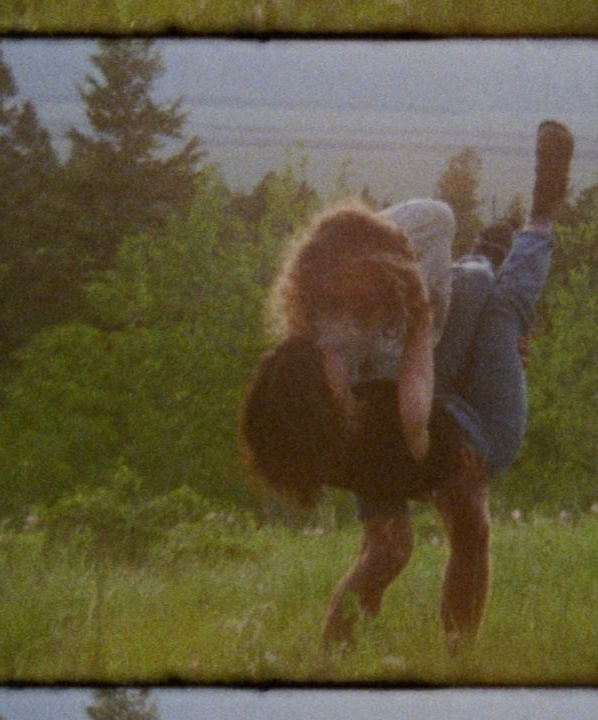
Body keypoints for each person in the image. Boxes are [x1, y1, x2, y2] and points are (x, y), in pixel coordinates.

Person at [240, 120, 574, 653]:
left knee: (471, 287)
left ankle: (343, 662)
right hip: (465, 438)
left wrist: (362, 257)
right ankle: (540, 218)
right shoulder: (360, 420)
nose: (331, 356)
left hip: (421, 385)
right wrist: (400, 282)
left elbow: (412, 335)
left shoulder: (305, 371)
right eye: (330, 368)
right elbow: (417, 428)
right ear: (331, 411)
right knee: (500, 304)